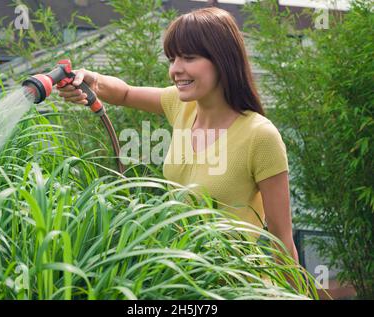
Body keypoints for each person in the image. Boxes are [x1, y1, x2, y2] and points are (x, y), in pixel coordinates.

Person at [58, 7, 299, 263]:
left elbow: (282, 243)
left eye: (189, 57)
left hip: (231, 286)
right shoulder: (182, 106)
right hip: (178, 279)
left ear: (222, 59)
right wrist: (90, 81)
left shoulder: (260, 136)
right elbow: (125, 93)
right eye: (172, 59)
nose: (175, 69)